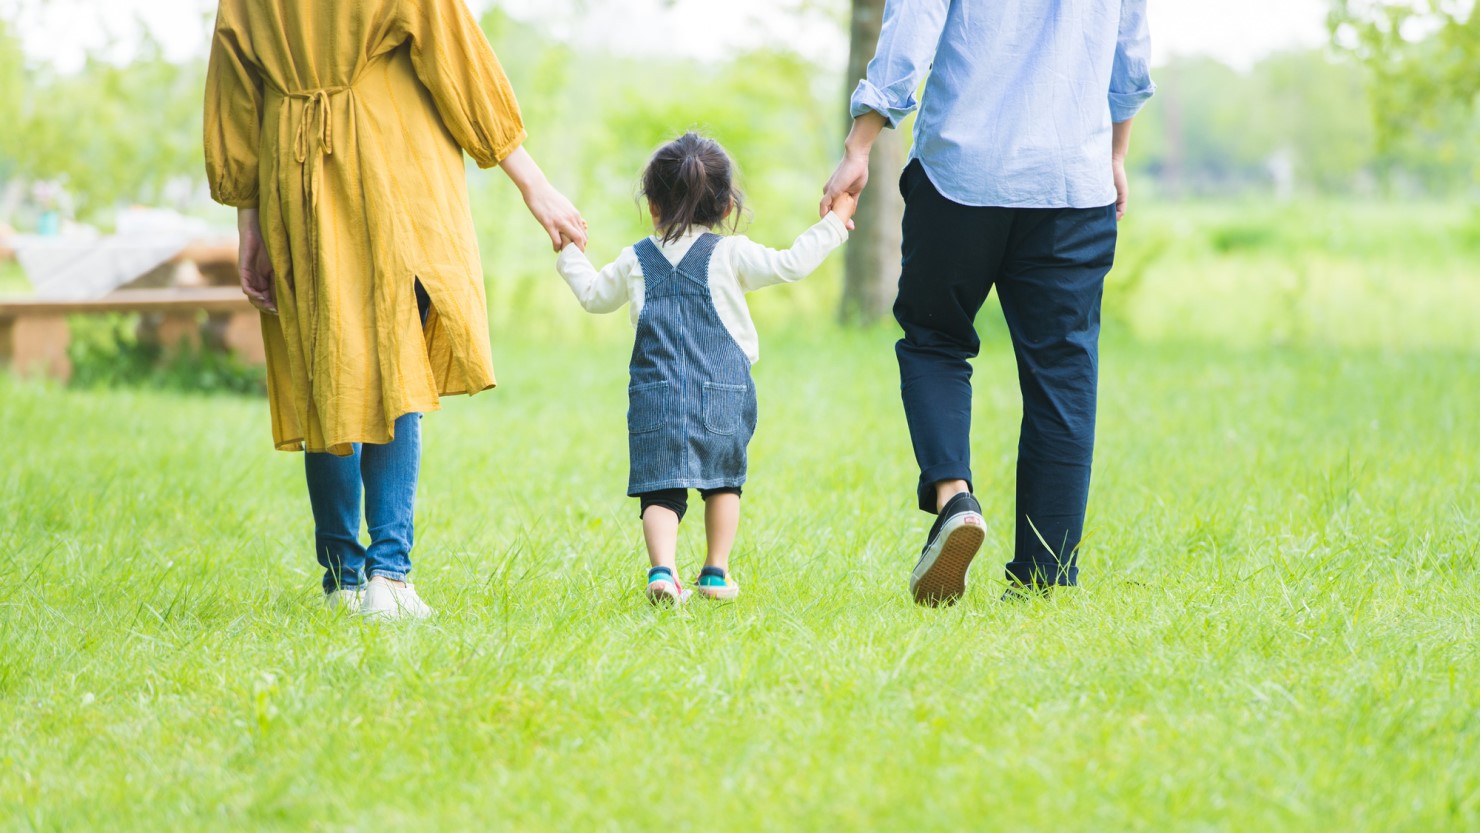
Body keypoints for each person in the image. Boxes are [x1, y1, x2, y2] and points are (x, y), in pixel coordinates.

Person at [204, 0, 586, 619]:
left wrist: (248, 217)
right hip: (388, 167)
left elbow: (234, 89)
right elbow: (456, 60)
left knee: (323, 364)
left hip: (292, 176)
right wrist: (533, 184)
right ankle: (390, 574)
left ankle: (341, 580)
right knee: (393, 358)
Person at [821, 0, 1155, 604]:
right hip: (1073, 184)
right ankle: (1044, 579)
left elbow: (910, 28)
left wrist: (861, 142)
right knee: (1063, 377)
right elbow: (1129, 58)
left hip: (962, 176)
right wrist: (1115, 154)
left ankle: (955, 501)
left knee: (935, 341)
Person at [556, 133, 855, 604]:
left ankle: (663, 572)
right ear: (725, 204)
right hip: (723, 391)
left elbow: (594, 296)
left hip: (657, 394)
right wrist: (836, 222)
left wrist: (569, 252)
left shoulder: (636, 258)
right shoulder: (731, 254)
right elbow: (792, 264)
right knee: (723, 483)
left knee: (661, 491)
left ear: (652, 205)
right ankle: (715, 573)